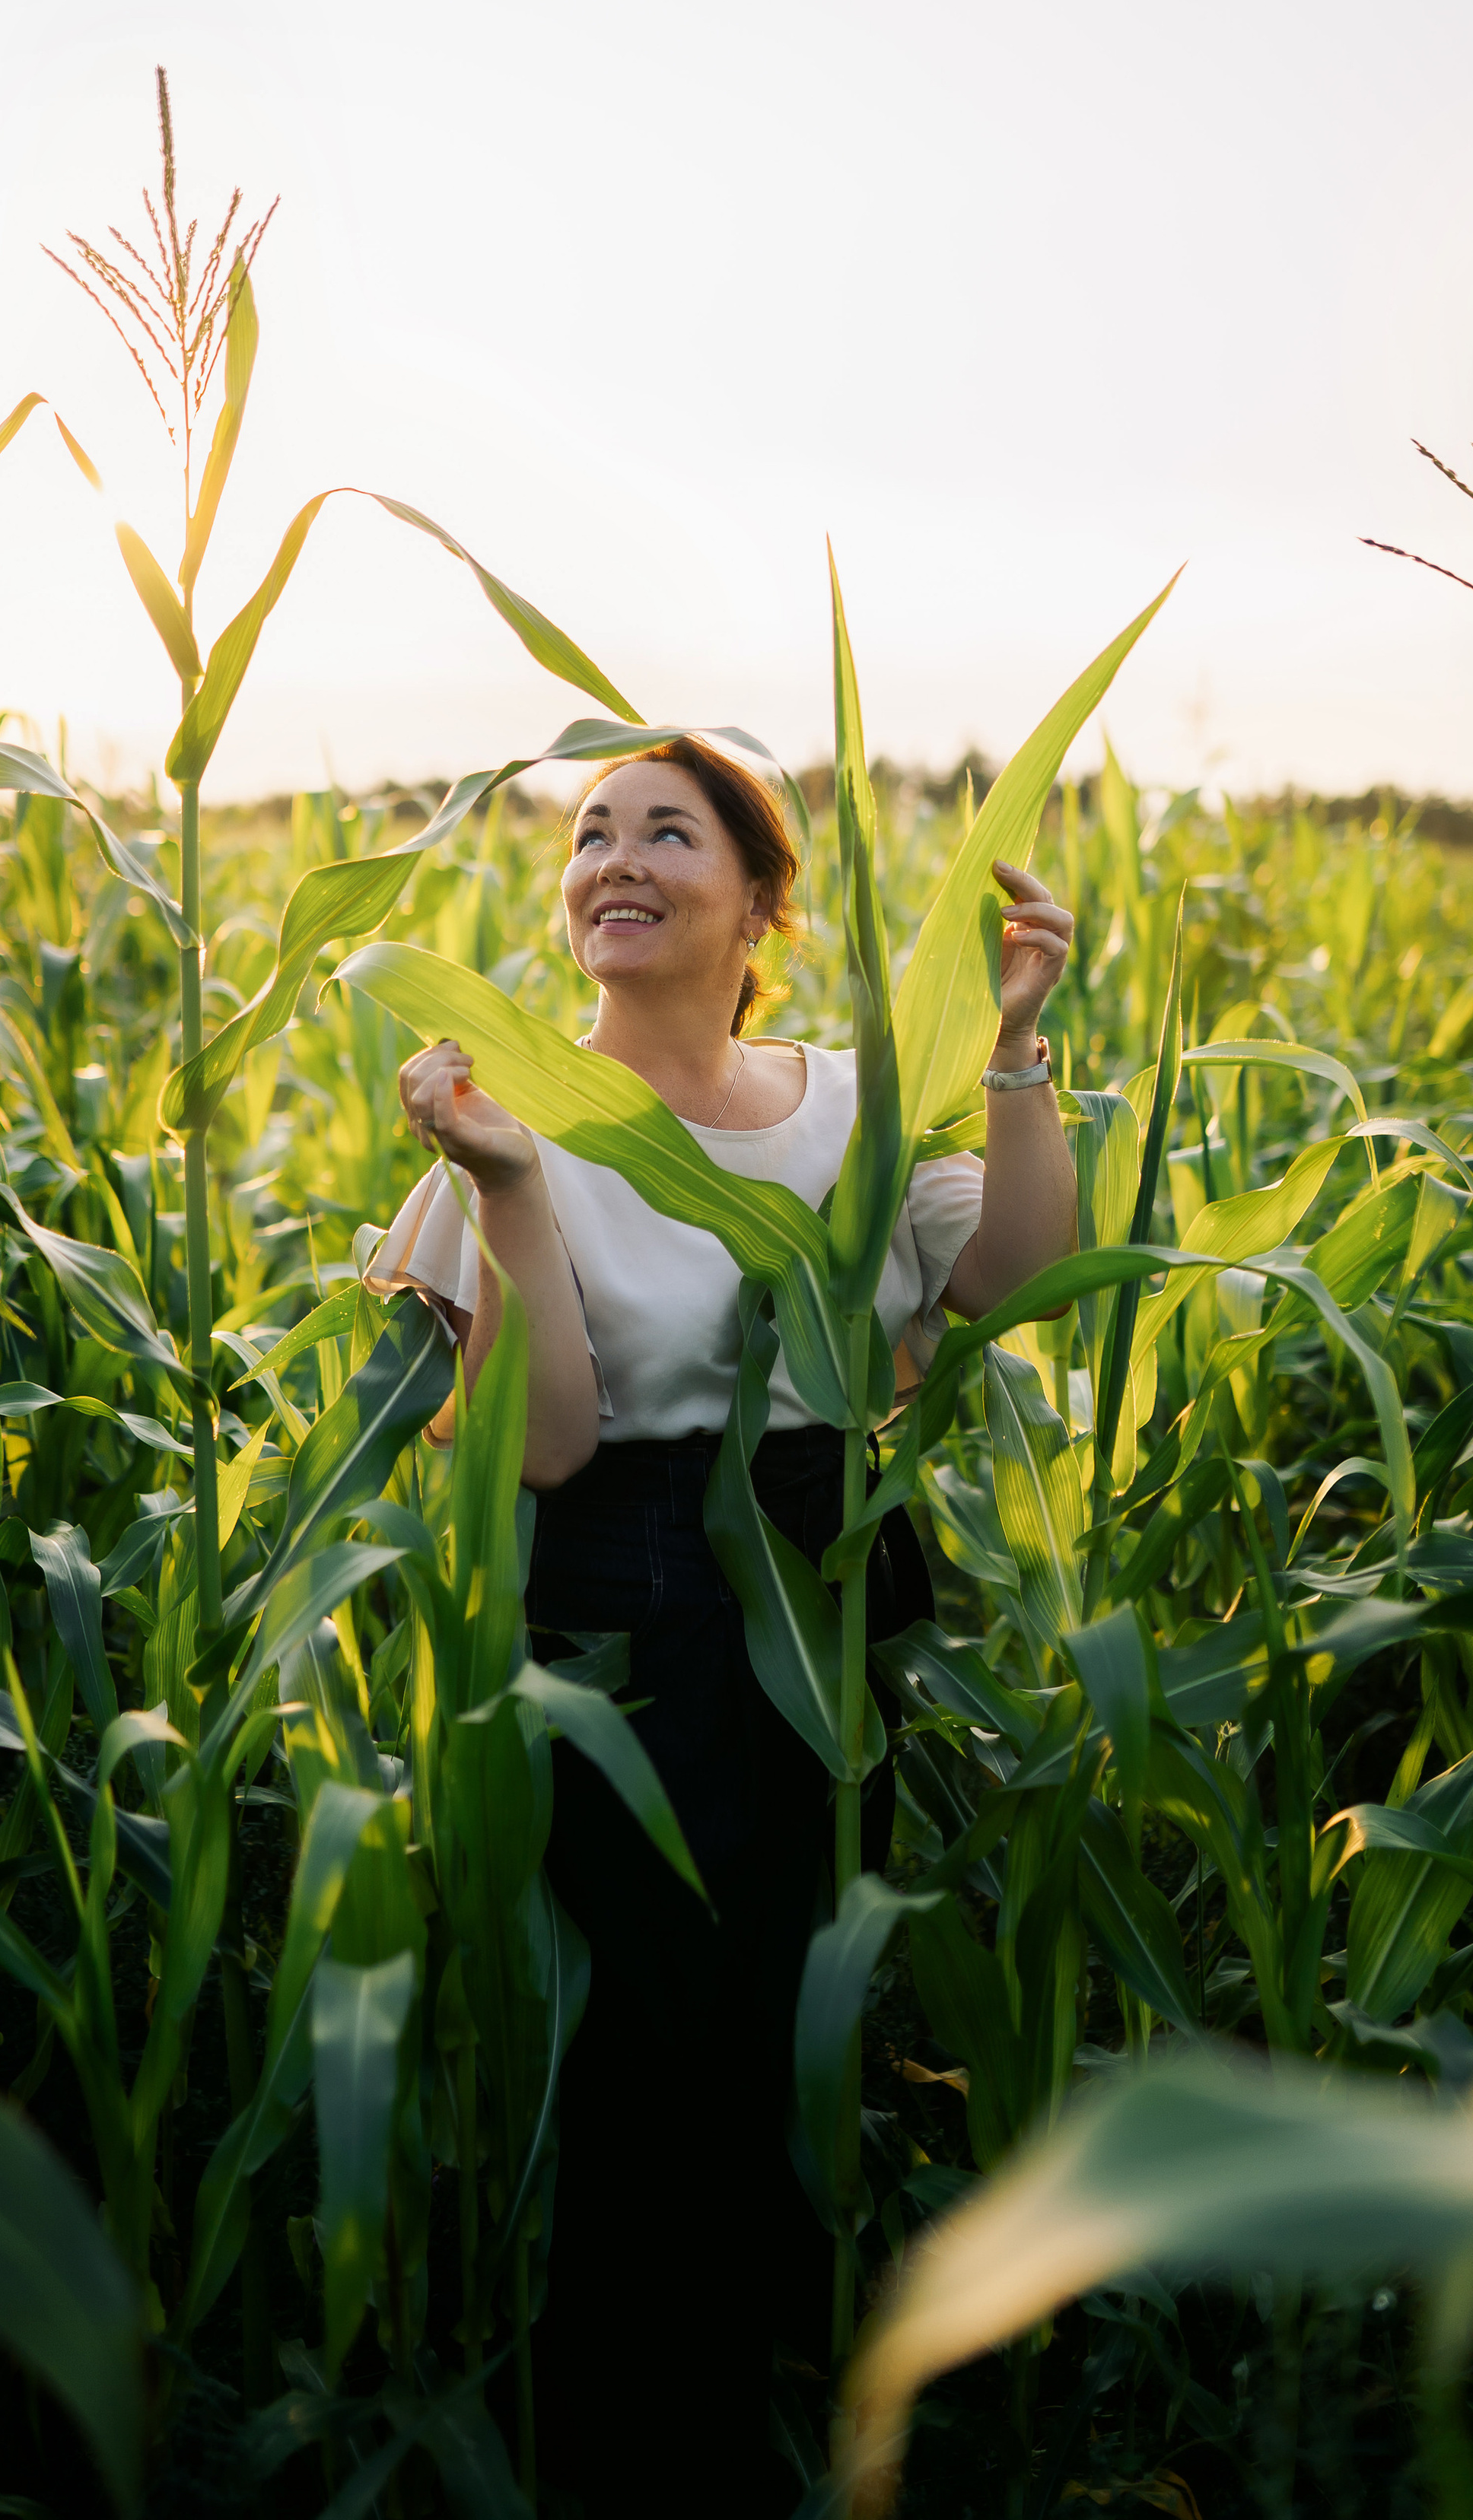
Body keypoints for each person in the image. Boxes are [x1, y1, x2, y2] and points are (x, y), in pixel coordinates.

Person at [370, 737, 1075, 2514]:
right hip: (627, 1618)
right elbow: (539, 1448)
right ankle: (631, 2443)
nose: (612, 858)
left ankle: (780, 2408)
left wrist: (1005, 1050)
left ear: (761, 900)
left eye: (664, 833)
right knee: (646, 2072)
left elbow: (1014, 1281)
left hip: (835, 1600)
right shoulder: (512, 1108)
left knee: (791, 2028)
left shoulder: (848, 1100)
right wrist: (508, 1186)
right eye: (589, 833)